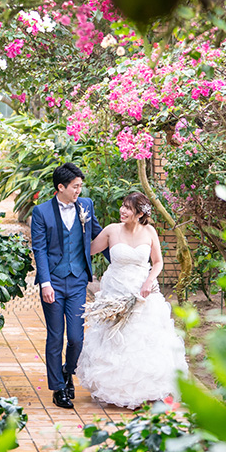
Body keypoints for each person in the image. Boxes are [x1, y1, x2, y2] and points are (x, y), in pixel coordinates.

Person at [75, 191, 188, 408]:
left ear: (139, 213)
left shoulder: (150, 232)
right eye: (123, 206)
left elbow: (157, 262)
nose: (122, 211)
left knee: (145, 339)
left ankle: (149, 390)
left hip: (143, 291)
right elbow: (87, 251)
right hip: (116, 290)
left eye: (128, 208)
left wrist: (149, 281)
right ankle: (116, 390)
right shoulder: (111, 231)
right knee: (116, 339)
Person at [30, 162, 104, 409]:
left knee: (75, 338)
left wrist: (121, 259)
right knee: (54, 337)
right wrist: (45, 283)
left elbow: (98, 234)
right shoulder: (41, 212)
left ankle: (67, 370)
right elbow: (39, 249)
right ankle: (58, 388)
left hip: (77, 280)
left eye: (80, 186)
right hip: (53, 282)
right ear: (60, 187)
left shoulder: (86, 206)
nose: (78, 191)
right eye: (75, 186)